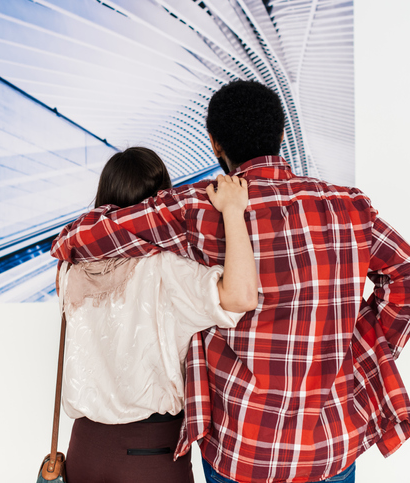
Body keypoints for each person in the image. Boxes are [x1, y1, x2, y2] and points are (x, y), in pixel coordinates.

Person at [52, 81, 410, 482]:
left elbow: (85, 238)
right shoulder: (348, 208)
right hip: (329, 444)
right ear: (282, 135)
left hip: (241, 447)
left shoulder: (198, 207)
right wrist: (357, 348)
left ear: (214, 143)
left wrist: (69, 239)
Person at [57, 147, 259, 483]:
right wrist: (233, 212)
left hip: (84, 450)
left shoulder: (70, 269)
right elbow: (239, 296)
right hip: (150, 454)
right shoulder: (166, 270)